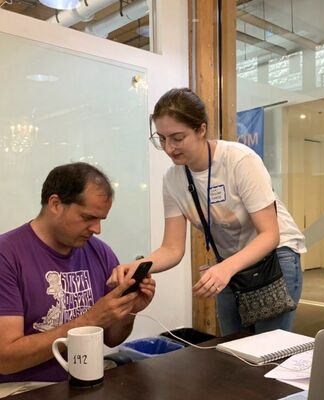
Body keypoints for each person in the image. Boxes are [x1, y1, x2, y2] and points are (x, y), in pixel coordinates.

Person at [108, 88, 305, 336]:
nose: (169, 148)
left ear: (201, 129)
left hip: (275, 257)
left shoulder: (239, 160)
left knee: (268, 350)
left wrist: (225, 268)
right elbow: (172, 248)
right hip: (231, 264)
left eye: (177, 138)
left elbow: (270, 234)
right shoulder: (172, 180)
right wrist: (138, 267)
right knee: (232, 348)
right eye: (162, 139)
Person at [0, 162, 155, 389]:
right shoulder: (7, 255)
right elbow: (6, 358)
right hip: (21, 388)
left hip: (84, 383)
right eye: (88, 218)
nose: (96, 229)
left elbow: (112, 338)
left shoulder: (99, 251)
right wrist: (90, 319)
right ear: (55, 204)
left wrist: (129, 309)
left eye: (101, 219)